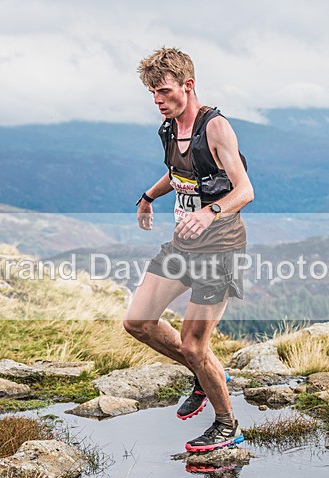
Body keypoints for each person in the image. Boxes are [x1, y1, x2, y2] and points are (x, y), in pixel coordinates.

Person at [123, 47, 254, 451]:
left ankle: (227, 426)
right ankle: (206, 372)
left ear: (188, 85)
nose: (157, 100)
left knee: (194, 345)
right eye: (151, 93)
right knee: (138, 322)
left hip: (220, 249)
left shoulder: (216, 128)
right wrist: (148, 195)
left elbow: (245, 189)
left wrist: (211, 212)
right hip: (183, 246)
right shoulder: (167, 129)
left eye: (163, 91)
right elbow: (179, 172)